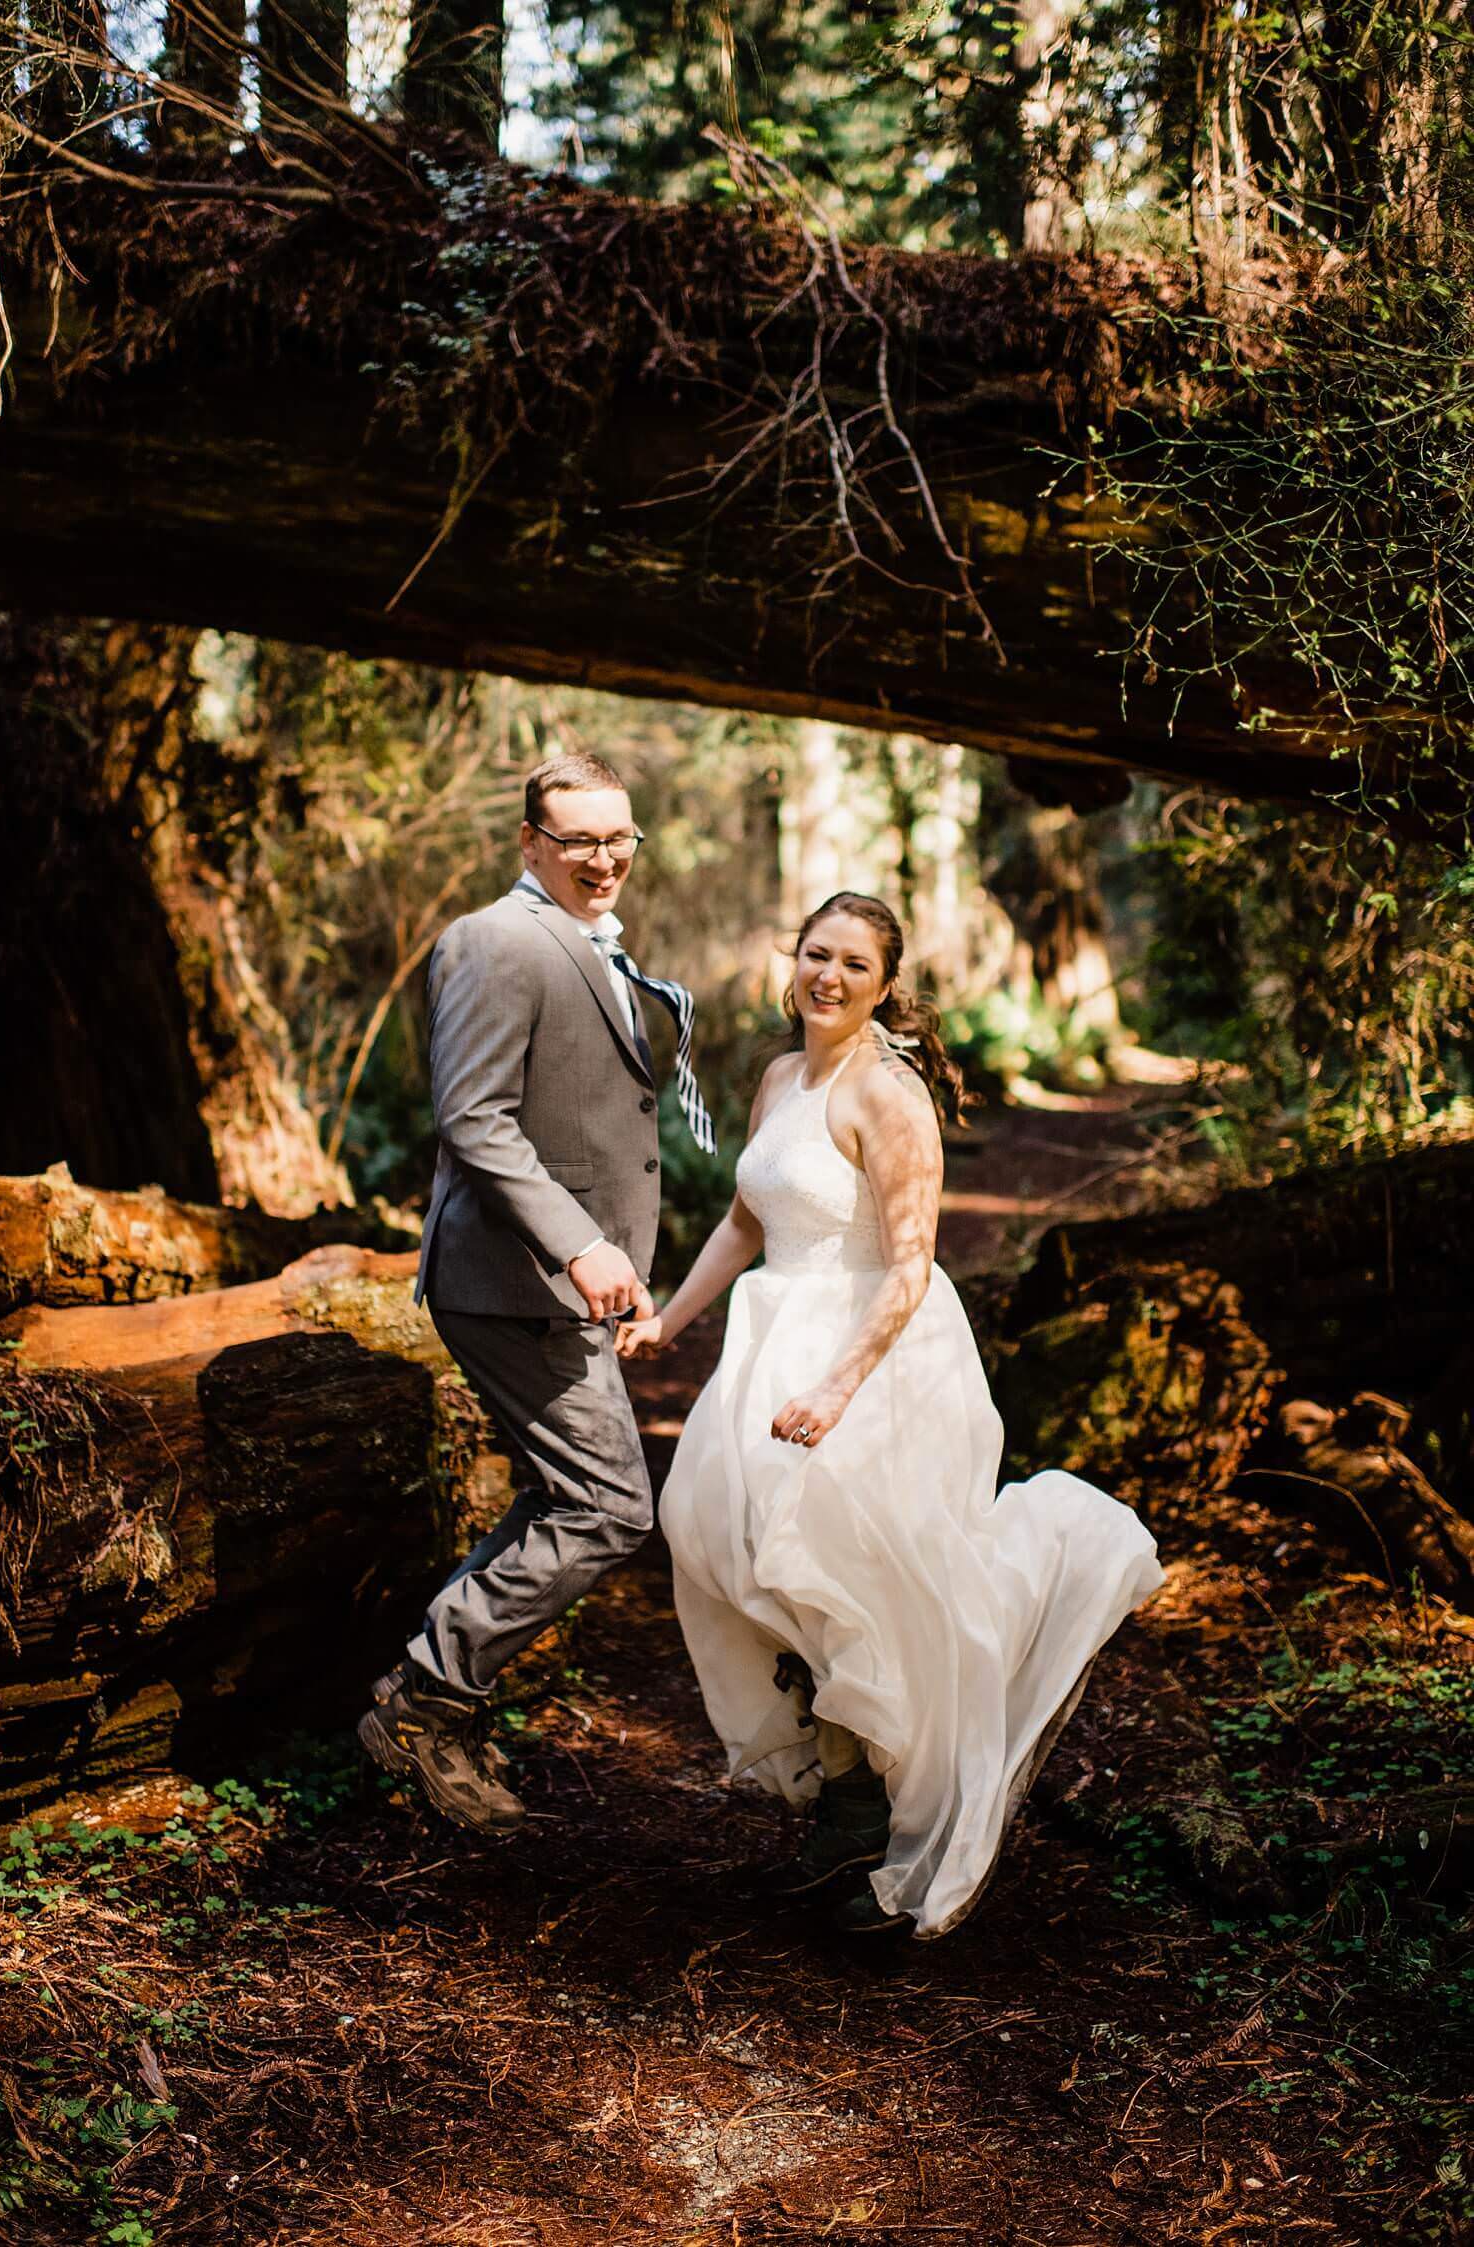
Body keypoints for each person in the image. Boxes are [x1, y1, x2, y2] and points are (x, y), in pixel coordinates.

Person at [617, 892, 1163, 1937]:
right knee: (713, 1531)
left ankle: (874, 1806)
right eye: (816, 955)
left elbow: (912, 1264)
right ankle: (843, 1779)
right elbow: (745, 1219)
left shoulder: (891, 1095)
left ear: (885, 985)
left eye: (853, 966)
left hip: (875, 1352)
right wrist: (670, 1322)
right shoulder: (783, 1074)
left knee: (848, 1573)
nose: (828, 976)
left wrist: (838, 1385)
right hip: (770, 1335)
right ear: (795, 961)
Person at [359, 751, 715, 1832]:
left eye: (618, 839)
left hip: (562, 1285)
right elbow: (472, 1117)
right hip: (512, 1279)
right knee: (609, 1506)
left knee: (577, 1497)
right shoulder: (496, 940)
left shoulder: (588, 942)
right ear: (530, 843)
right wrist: (578, 1246)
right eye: (577, 841)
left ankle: (442, 1702)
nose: (602, 859)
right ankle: (423, 1698)